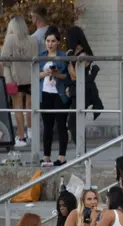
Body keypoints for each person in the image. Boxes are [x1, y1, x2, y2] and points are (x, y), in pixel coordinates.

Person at [1, 16, 37, 147]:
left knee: (18, 108)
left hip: (15, 78)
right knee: (30, 107)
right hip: (30, 77)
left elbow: (4, 59)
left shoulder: (10, 39)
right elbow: (35, 59)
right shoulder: (32, 40)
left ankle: (21, 137)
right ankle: (32, 134)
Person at [65, 26, 103, 146]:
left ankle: (82, 153)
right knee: (74, 121)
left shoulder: (84, 54)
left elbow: (76, 74)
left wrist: (69, 61)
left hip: (85, 90)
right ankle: (81, 152)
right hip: (77, 90)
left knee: (74, 121)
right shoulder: (73, 53)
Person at [39, 26, 69, 167]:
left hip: (59, 94)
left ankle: (61, 157)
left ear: (58, 42)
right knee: (47, 126)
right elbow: (35, 75)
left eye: (53, 41)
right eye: (48, 41)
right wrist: (45, 73)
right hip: (45, 93)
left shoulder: (63, 56)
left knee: (61, 125)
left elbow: (66, 76)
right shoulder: (41, 56)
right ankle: (46, 157)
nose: (50, 44)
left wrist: (55, 73)